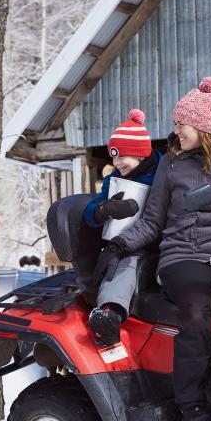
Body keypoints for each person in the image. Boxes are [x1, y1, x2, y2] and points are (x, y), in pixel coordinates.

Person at [93, 78, 211, 421]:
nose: (175, 131)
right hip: (183, 256)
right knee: (197, 311)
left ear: (202, 127)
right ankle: (191, 404)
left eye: (180, 124)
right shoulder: (172, 165)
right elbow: (153, 220)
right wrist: (121, 245)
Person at [84, 109, 161, 346]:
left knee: (131, 265)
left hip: (152, 241)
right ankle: (107, 314)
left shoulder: (161, 173)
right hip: (121, 242)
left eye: (121, 157)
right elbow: (91, 211)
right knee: (118, 267)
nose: (116, 164)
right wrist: (103, 210)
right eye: (113, 158)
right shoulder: (113, 179)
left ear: (140, 154)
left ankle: (112, 311)